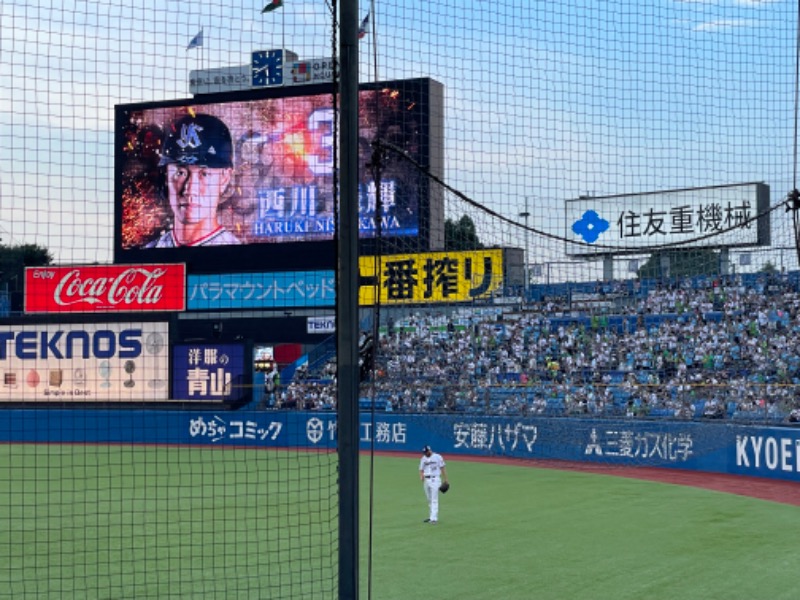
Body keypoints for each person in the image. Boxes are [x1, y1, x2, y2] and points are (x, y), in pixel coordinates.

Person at [146, 113, 241, 247]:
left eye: (204, 174)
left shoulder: (236, 256)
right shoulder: (149, 254)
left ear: (224, 178)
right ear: (166, 175)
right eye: (181, 173)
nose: (190, 189)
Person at [419, 445, 449, 524]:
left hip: (435, 479)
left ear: (429, 450)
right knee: (429, 499)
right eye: (424, 452)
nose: (425, 453)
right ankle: (431, 516)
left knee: (434, 499)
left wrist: (446, 480)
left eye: (426, 452)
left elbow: (443, 468)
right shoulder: (423, 458)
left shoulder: (438, 457)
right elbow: (421, 469)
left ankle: (434, 519)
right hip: (426, 480)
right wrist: (421, 476)